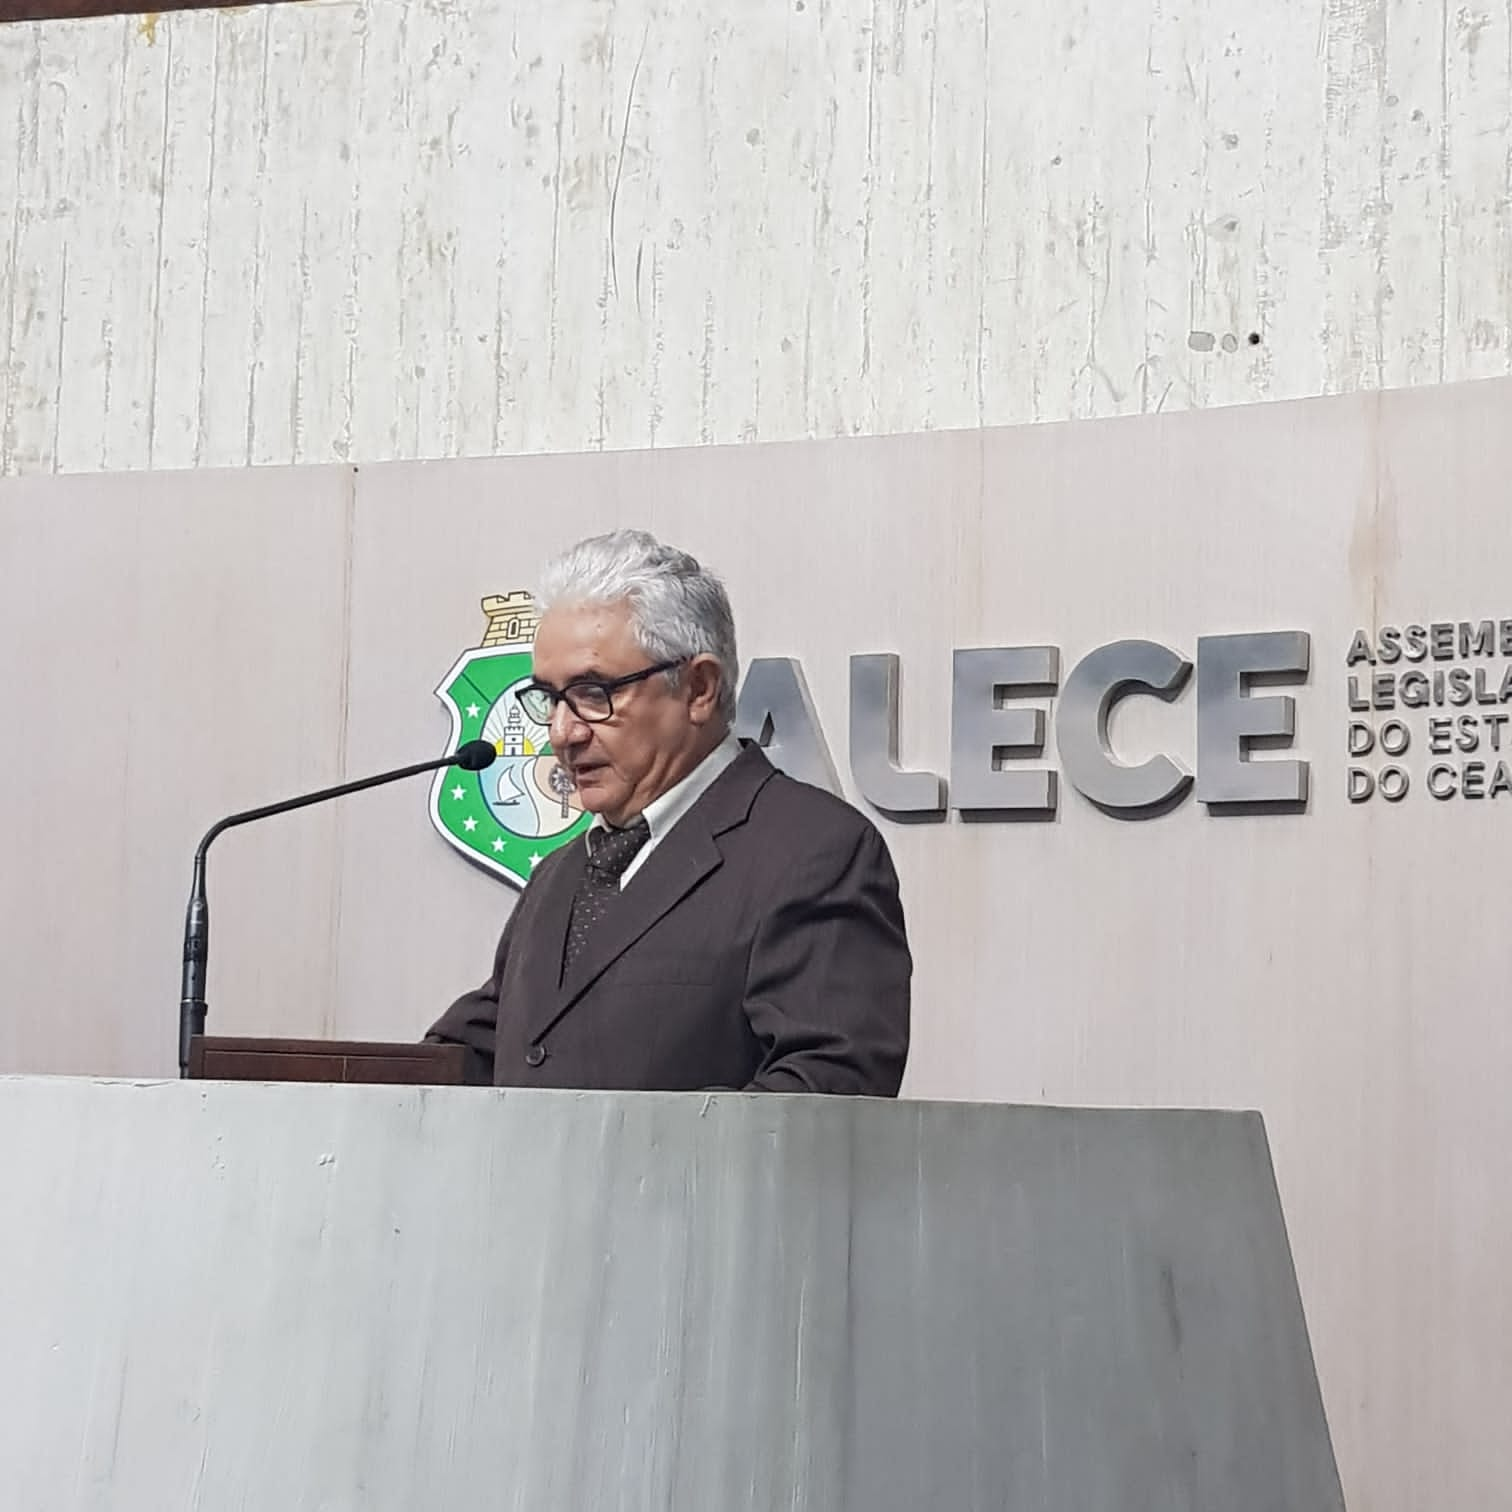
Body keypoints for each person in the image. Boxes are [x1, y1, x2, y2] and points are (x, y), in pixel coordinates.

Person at [426, 529, 911, 1095]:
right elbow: (485, 1050)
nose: (562, 732)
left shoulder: (813, 852)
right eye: (550, 698)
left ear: (699, 688)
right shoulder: (560, 872)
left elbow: (828, 1088)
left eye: (593, 692)